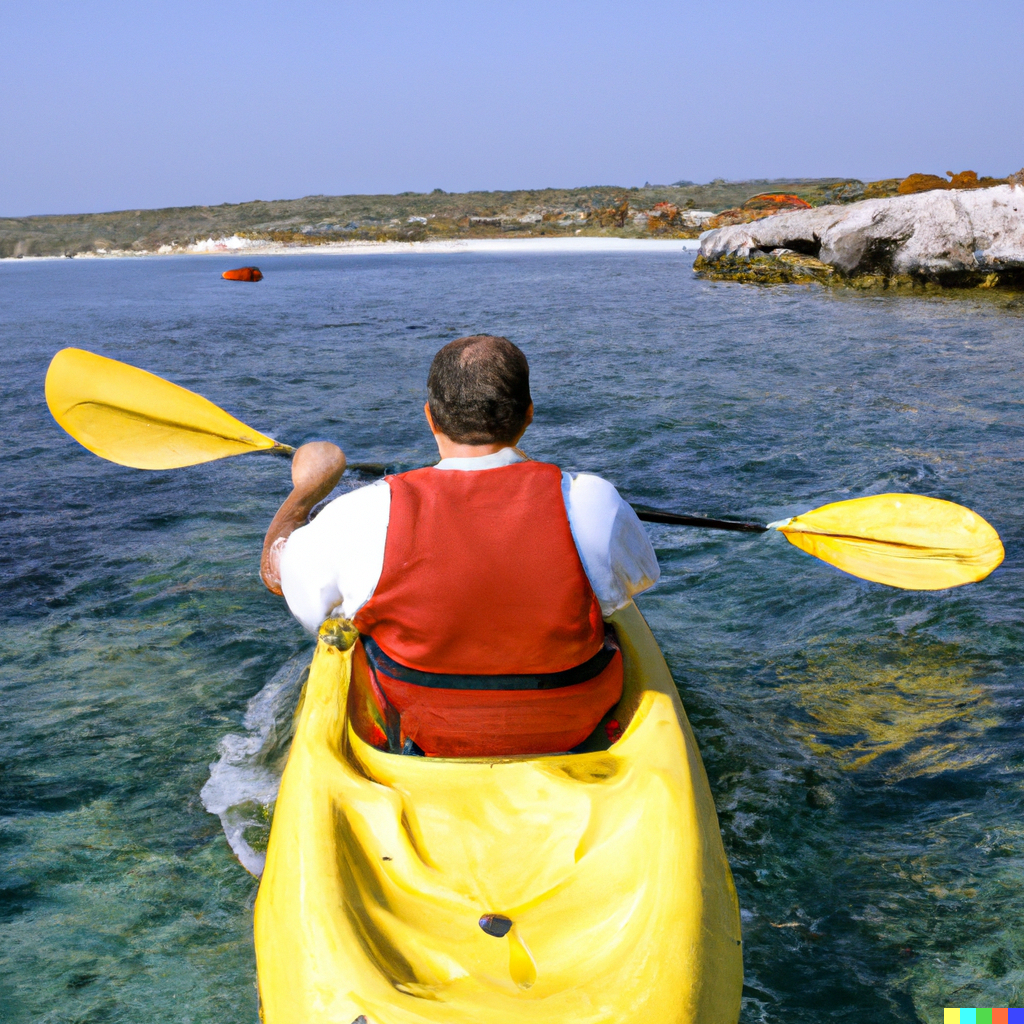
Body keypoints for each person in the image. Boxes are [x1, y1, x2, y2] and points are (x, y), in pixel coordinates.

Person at [260, 335, 659, 757]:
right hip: (574, 723)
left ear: (430, 418)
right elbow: (636, 583)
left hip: (425, 727)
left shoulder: (363, 512)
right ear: (528, 416)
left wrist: (303, 495)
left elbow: (281, 576)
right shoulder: (592, 499)